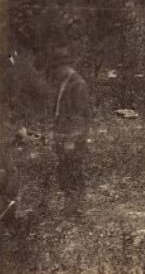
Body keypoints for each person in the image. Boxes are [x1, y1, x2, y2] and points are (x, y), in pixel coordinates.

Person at [50, 46, 91, 218]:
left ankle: (74, 209)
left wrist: (71, 140)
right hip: (63, 137)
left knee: (73, 172)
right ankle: (71, 206)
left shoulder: (78, 84)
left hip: (72, 139)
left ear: (64, 66)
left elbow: (80, 116)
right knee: (64, 171)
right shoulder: (64, 83)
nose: (54, 72)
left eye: (56, 68)